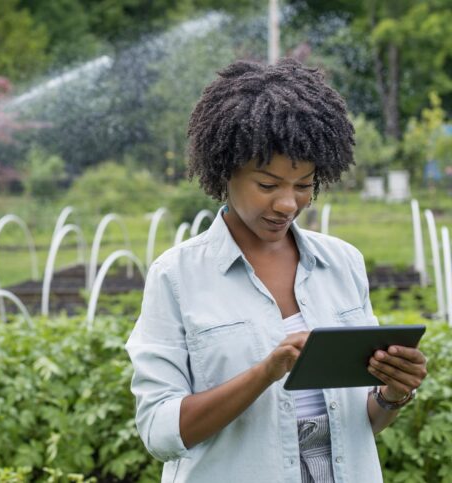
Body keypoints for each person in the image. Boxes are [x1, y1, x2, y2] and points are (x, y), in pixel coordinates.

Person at [125, 59, 428, 483]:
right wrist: (264, 373)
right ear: (224, 170)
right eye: (268, 185)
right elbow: (160, 432)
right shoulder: (176, 277)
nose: (288, 203)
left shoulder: (343, 264)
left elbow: (359, 424)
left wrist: (393, 392)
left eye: (303, 185)